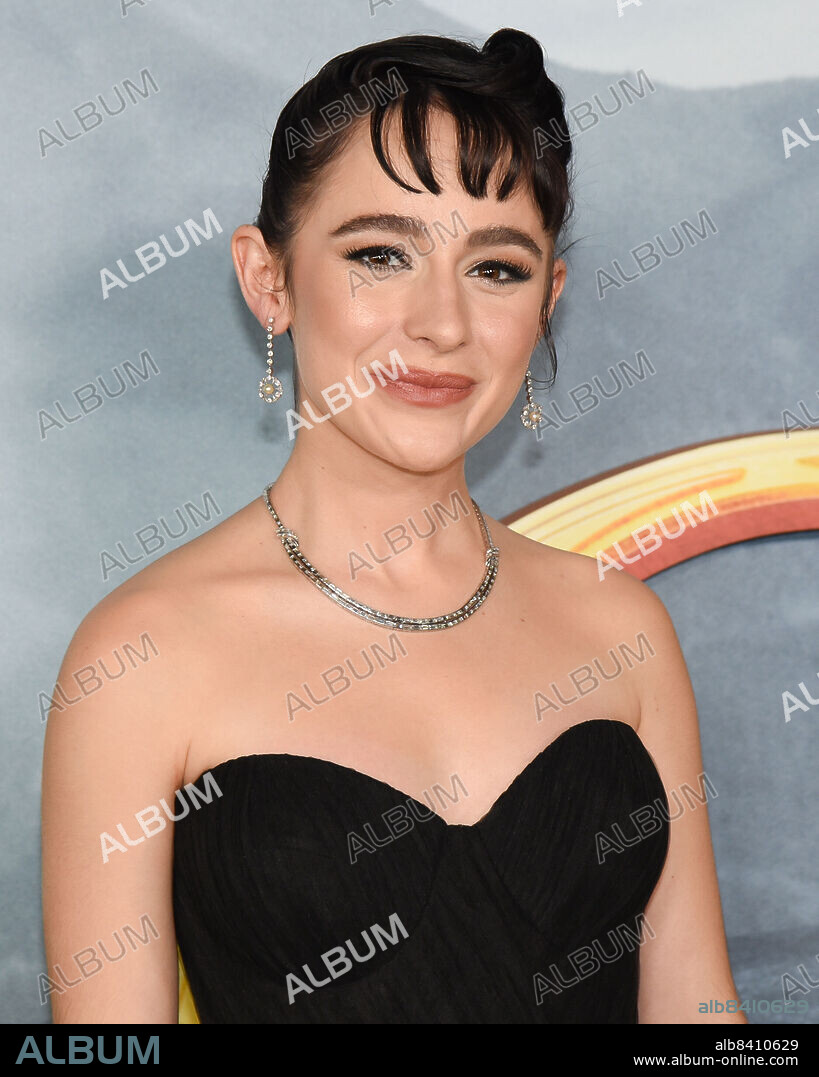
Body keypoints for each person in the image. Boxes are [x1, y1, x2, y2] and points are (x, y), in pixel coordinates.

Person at [42, 27, 745, 1024]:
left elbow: (701, 1022)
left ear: (549, 298)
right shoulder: (141, 656)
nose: (442, 324)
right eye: (380, 254)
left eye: (496, 269)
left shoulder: (620, 628)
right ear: (269, 279)